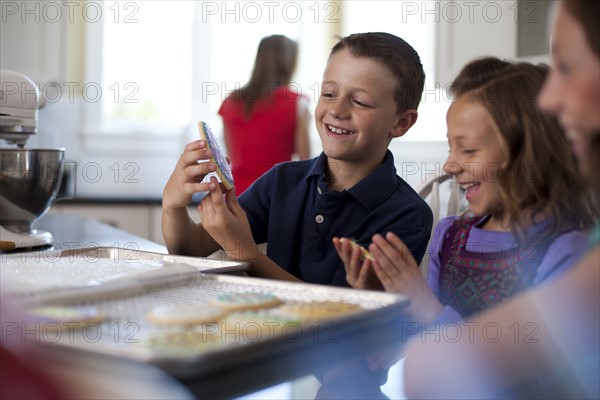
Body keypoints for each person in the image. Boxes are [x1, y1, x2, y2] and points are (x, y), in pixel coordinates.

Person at [403, 1, 600, 398]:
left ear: (524, 150)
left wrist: (425, 310)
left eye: (566, 66)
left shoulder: (567, 247)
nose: (551, 101)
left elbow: (430, 370)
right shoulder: (451, 236)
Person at [336, 57, 594, 327]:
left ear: (530, 154)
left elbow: (530, 366)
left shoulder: (567, 254)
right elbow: (424, 342)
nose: (450, 165)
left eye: (468, 149)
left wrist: (426, 307)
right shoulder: (449, 237)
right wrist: (387, 300)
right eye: (451, 148)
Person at [162, 32, 433, 286]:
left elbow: (340, 312)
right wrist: (173, 205)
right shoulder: (281, 181)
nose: (337, 110)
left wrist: (243, 251)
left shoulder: (408, 216)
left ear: (401, 122)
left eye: (360, 101)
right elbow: (189, 248)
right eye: (329, 93)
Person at [218, 35, 311, 194]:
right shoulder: (298, 104)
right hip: (276, 196)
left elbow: (231, 156)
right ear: (289, 64)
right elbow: (306, 166)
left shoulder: (230, 102)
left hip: (235, 197)